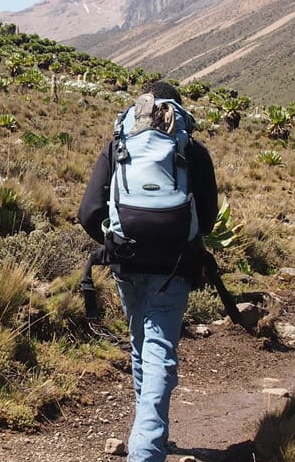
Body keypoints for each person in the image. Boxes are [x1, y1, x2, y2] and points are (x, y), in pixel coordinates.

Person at [78, 80, 220, 462]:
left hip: (126, 263)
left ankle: (149, 436)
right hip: (174, 267)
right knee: (158, 351)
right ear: (178, 111)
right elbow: (207, 217)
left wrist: (114, 242)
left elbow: (88, 212)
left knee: (142, 342)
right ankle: (146, 451)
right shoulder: (192, 150)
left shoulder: (118, 146)